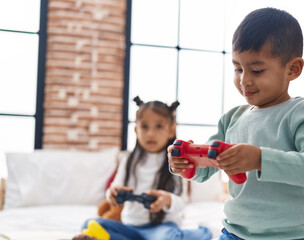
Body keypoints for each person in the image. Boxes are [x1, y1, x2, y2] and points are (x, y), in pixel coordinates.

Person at [168, 8, 304, 240]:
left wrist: (260, 159)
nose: (244, 80)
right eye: (238, 68)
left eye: (257, 70)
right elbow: (207, 168)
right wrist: (187, 163)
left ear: (293, 69)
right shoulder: (232, 118)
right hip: (234, 231)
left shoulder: (302, 113)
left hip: (289, 235)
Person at [73, 96, 212, 240]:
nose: (150, 133)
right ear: (135, 130)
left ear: (172, 130)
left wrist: (167, 200)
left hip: (162, 229)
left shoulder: (177, 161)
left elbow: (182, 202)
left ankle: (205, 232)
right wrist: (111, 194)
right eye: (144, 127)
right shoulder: (127, 160)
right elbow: (114, 188)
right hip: (130, 227)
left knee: (169, 238)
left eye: (159, 126)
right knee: (89, 224)